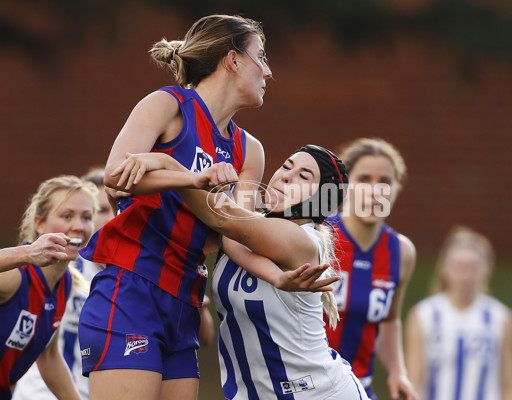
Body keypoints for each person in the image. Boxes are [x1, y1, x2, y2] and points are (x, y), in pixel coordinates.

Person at [77, 15, 330, 400]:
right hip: (132, 287)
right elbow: (115, 176)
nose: (268, 70)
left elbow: (234, 233)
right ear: (233, 60)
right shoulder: (168, 104)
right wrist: (191, 178)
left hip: (186, 299)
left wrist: (277, 278)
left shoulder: (250, 150)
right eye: (260, 56)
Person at [110, 144, 370, 399]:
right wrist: (118, 199)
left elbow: (223, 218)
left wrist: (169, 163)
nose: (286, 176)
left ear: (320, 199)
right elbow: (199, 233)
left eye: (303, 176)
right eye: (286, 166)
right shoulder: (243, 230)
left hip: (319, 394)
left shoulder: (302, 240)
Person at [324, 137, 418, 400]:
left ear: (397, 189)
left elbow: (389, 319)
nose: (375, 190)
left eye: (385, 182)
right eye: (364, 179)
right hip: (306, 388)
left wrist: (398, 372)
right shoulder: (317, 235)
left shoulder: (402, 252)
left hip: (358, 389)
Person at [12, 167, 116, 400]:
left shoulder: (63, 282)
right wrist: (27, 253)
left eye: (86, 217)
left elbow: (48, 356)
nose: (78, 226)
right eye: (67, 216)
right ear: (39, 223)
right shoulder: (19, 275)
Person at [405, 226, 512, 400]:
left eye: (472, 267)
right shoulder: (423, 316)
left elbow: (510, 385)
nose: (465, 276)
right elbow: (415, 382)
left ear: (487, 269)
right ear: (444, 268)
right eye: (459, 267)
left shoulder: (501, 318)